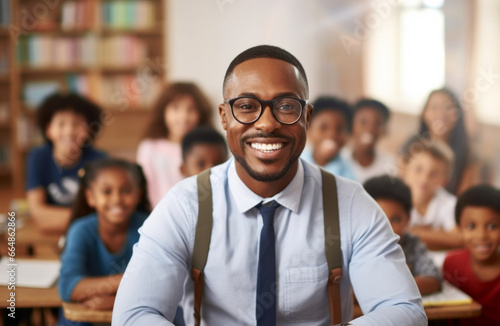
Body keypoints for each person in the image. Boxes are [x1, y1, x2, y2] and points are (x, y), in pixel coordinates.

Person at [113, 45, 426, 325]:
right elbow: (133, 315)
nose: (267, 123)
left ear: (308, 117)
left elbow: (403, 310)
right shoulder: (186, 204)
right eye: (247, 106)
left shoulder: (350, 203)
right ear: (224, 117)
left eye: (287, 106)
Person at [58, 158, 150, 325]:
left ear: (139, 193)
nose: (117, 199)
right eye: (107, 192)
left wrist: (115, 301)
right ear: (90, 197)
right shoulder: (80, 230)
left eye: (126, 190)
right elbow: (69, 287)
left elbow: (160, 284)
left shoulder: (150, 227)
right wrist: (130, 283)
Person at [26, 92, 106, 234]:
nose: (69, 131)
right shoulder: (38, 157)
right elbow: (39, 215)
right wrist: (89, 219)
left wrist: (54, 217)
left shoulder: (100, 160)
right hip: (56, 235)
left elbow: (105, 212)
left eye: (76, 124)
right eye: (61, 123)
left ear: (88, 130)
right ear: (48, 130)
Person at [136, 82, 213, 207]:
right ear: (163, 111)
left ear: (201, 113)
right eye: (175, 108)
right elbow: (145, 189)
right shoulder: (149, 148)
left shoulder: (207, 149)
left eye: (191, 109)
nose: (183, 117)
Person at [363, 175, 442, 295]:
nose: (386, 228)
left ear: (408, 220)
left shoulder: (411, 245)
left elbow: (433, 280)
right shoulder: (355, 246)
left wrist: (386, 291)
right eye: (378, 219)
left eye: (395, 220)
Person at [400, 88, 476, 195]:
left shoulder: (466, 152)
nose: (441, 113)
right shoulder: (411, 145)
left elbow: (464, 195)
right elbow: (401, 183)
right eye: (434, 107)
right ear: (424, 113)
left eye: (448, 108)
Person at [443, 185, 500, 326]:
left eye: (492, 226)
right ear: (458, 230)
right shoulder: (451, 263)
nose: (481, 235)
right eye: (471, 226)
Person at [401, 137, 462, 251]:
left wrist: (412, 231)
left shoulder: (448, 203)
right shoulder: (395, 199)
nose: (424, 178)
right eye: (418, 169)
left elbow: (458, 239)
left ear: (444, 180)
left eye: (434, 174)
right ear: (405, 169)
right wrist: (437, 235)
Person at [301, 96, 357, 180]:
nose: (332, 135)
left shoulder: (349, 175)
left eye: (339, 129)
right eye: (323, 127)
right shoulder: (296, 164)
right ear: (308, 129)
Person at [343, 99, 396, 183]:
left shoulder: (391, 164)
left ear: (385, 130)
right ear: (351, 125)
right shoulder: (339, 160)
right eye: (363, 122)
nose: (370, 129)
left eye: (378, 123)